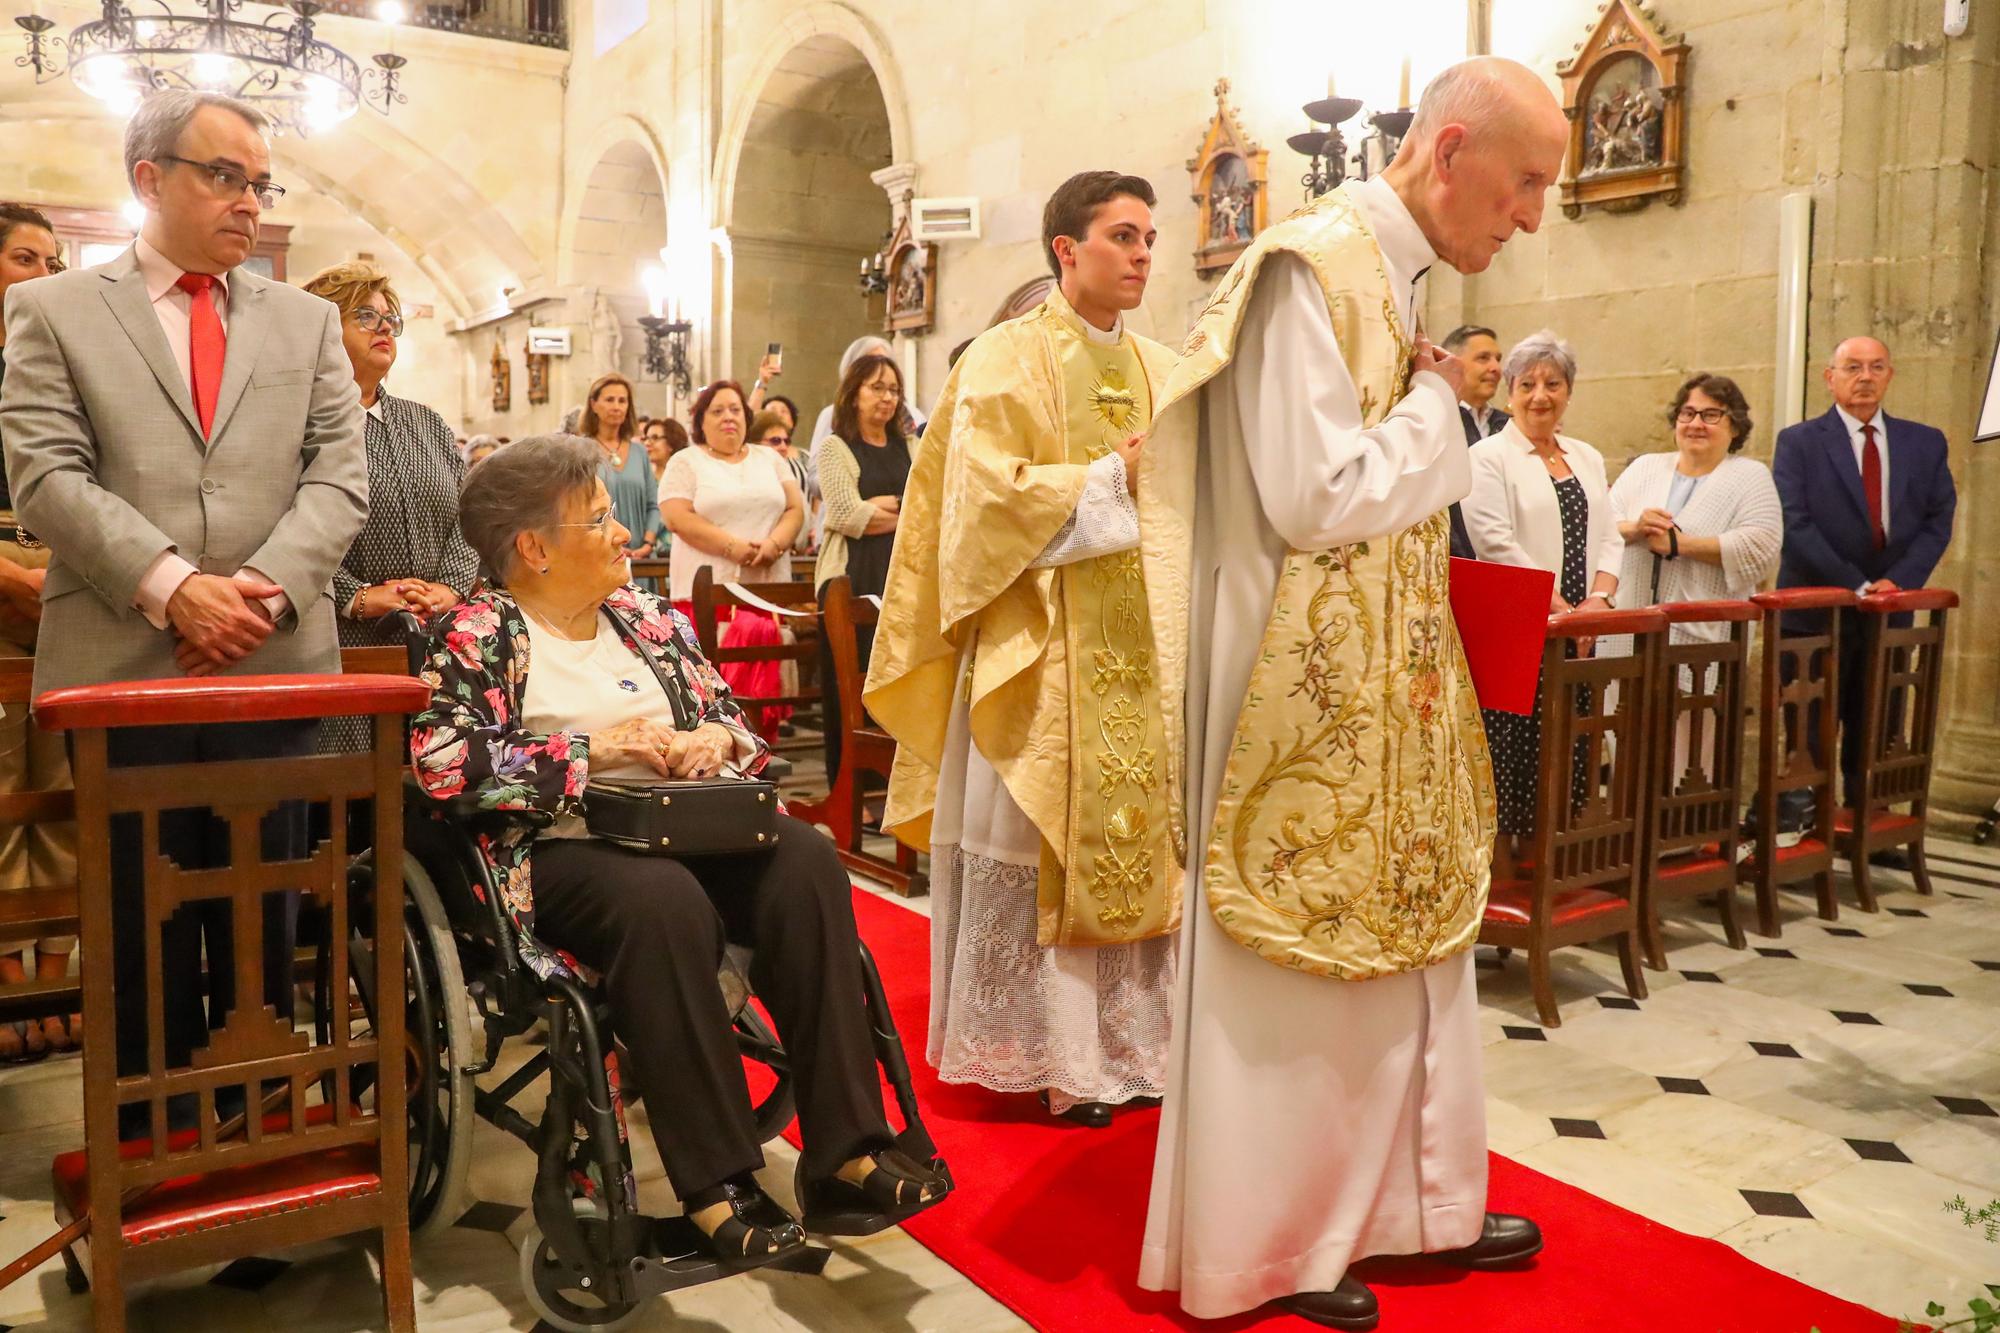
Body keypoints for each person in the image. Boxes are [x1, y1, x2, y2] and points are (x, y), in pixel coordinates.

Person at [1137, 59, 1562, 1330]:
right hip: (1294, 691)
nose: (1531, 215)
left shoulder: (1389, 277)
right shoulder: (1305, 269)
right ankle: (1267, 1243)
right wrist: (1443, 400)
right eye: (1525, 181)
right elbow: (1312, 494)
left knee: (1412, 936)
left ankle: (1413, 1206)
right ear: (1446, 151)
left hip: (1389, 678)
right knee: (1296, 959)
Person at [410, 435, 947, 1262]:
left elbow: (738, 728)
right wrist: (596, 756)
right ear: (534, 548)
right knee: (662, 901)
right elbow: (443, 761)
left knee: (804, 860)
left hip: (687, 827)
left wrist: (712, 746)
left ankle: (847, 1151)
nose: (626, 532)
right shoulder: (480, 630)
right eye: (599, 519)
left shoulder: (648, 619)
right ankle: (715, 1181)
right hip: (560, 850)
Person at [0, 91, 368, 1135]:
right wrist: (173, 585)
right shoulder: (56, 311)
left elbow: (341, 481)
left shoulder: (306, 323)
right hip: (126, 665)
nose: (250, 201)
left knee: (261, 923)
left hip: (275, 659)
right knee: (140, 934)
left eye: (261, 182)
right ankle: (149, 1154)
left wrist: (259, 590)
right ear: (149, 177)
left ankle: (252, 1147)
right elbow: (46, 477)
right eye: (225, 175)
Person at [866, 170, 1180, 1128]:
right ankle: (1053, 1056)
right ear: (1065, 251)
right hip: (1038, 647)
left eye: (1149, 238)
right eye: (1123, 235)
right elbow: (980, 505)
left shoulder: (1169, 370)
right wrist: (1104, 480)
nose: (1142, 254)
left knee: (1139, 852)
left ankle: (1135, 1043)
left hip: (1141, 648)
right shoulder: (1004, 359)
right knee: (1037, 845)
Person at [1771, 336, 1957, 848]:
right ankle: (1802, 829)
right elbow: (1795, 522)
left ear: (1890, 376)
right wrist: (1855, 584)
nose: (1865, 377)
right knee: (1809, 727)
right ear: (1829, 376)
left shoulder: (1924, 441)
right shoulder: (1800, 442)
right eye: (1853, 367)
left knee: (1879, 723)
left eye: (1876, 367)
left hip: (1889, 610)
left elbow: (1938, 519)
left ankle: (1870, 830)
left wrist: (1897, 583)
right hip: (1816, 611)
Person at [1462, 330, 1623, 863]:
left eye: (1552, 383)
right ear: (1509, 391)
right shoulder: (1489, 457)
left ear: (1568, 392)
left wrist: (1599, 601)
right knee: (1517, 754)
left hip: (1582, 629)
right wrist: (1559, 609)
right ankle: (1509, 873)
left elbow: (1609, 536)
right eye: (1527, 383)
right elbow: (1494, 542)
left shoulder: (1588, 456)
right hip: (1522, 626)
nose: (1540, 395)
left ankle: (1556, 865)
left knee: (1572, 747)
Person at [0, 202, 75, 1063]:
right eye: (26, 258)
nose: (44, 277)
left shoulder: (60, 369)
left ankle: (57, 964)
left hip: (65, 588)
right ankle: (9, 976)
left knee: (61, 787)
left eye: (53, 263)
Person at [659, 379, 805, 741]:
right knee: (712, 691)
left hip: (765, 588)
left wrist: (773, 544)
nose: (728, 418)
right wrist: (732, 547)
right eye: (718, 411)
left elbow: (794, 508)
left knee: (766, 689)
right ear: (701, 421)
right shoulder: (686, 461)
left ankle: (764, 752)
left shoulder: (769, 458)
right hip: (708, 592)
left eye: (736, 410)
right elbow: (677, 516)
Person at [1609, 374, 1781, 625]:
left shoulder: (1751, 475)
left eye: (1711, 415)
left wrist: (1680, 544)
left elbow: (1760, 548)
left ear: (1734, 426)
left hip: (1707, 630)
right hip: (1630, 621)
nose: (1696, 424)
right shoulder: (1644, 467)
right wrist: (1636, 529)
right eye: (1687, 413)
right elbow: (1601, 528)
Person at [811, 353, 909, 781]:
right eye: (876, 388)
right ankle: (850, 785)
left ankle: (895, 788)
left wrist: (887, 509)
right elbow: (847, 516)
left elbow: (929, 510)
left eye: (893, 389)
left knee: (896, 680)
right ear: (853, 394)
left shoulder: (911, 446)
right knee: (850, 684)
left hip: (901, 576)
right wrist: (897, 512)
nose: (886, 398)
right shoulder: (836, 448)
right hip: (849, 579)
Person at [582, 372, 666, 564]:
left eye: (622, 400)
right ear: (594, 404)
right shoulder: (582, 451)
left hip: (641, 554)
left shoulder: (640, 452)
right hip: (599, 554)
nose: (616, 406)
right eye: (609, 400)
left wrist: (647, 544)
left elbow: (654, 504)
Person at [1442, 323, 1507, 557]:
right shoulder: (1440, 419)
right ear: (1453, 363)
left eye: (1498, 359)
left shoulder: (1509, 425)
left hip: (1504, 562)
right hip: (1454, 560)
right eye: (1483, 358)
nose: (1496, 368)